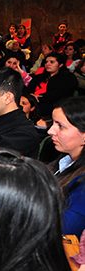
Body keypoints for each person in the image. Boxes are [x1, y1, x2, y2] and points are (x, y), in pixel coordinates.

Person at [48, 97, 85, 236]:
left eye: (60, 126)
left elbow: (63, 228)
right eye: (53, 123)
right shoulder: (64, 161)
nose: (50, 131)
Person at [28, 53, 77, 117]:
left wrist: (38, 98)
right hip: (33, 104)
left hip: (54, 108)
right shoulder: (39, 77)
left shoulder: (68, 78)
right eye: (46, 62)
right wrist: (31, 96)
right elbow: (28, 89)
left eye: (52, 62)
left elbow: (59, 94)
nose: (47, 64)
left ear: (60, 65)